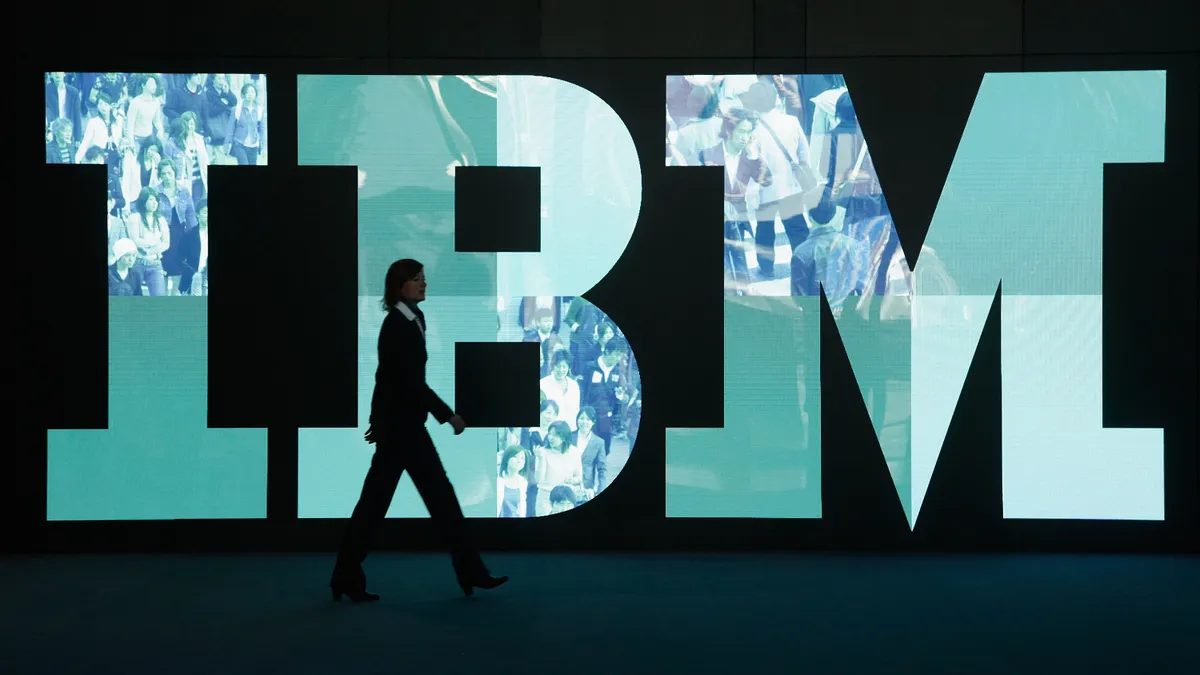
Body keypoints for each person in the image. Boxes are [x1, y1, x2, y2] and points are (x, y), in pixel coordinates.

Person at [330, 258, 508, 603]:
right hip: (405, 432)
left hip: (402, 429)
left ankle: (345, 576)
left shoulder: (413, 320)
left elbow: (387, 379)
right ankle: (471, 573)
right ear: (400, 287)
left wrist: (376, 421)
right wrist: (448, 415)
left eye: (423, 278)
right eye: (416, 279)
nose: (424, 284)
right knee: (435, 502)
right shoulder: (397, 325)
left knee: (379, 506)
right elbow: (406, 382)